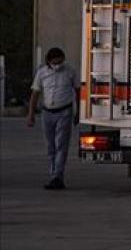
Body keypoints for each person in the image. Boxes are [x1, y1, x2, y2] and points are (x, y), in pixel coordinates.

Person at [27, 47, 78, 190]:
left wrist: (78, 112)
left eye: (61, 62)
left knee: (61, 145)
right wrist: (31, 114)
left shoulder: (70, 71)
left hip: (64, 111)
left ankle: (57, 176)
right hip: (47, 112)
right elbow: (35, 94)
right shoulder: (42, 72)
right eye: (55, 63)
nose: (58, 65)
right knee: (50, 147)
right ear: (49, 62)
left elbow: (78, 90)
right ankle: (53, 174)